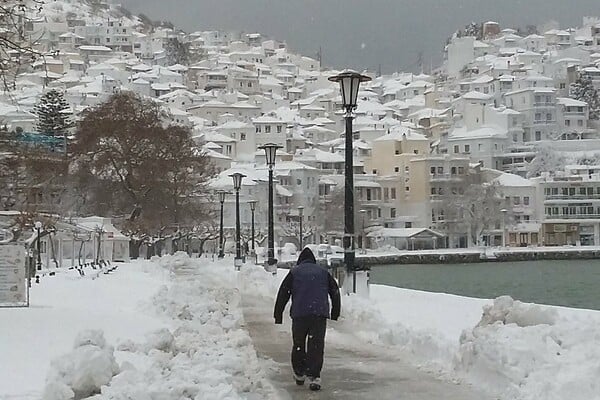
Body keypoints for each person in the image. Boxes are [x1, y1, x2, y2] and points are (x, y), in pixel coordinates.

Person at [273, 247, 341, 391]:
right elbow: (335, 292)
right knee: (316, 345)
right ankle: (314, 376)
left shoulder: (295, 272)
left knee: (298, 344)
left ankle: (299, 373)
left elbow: (283, 293)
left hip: (300, 314)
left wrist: (278, 314)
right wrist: (335, 312)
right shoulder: (323, 272)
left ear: (300, 260)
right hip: (319, 314)